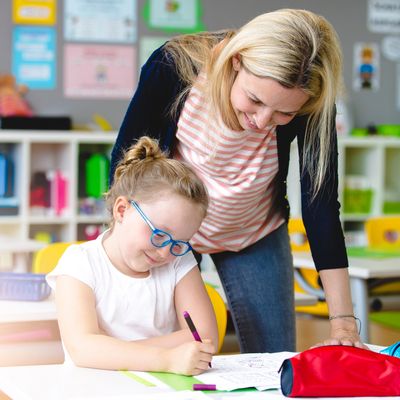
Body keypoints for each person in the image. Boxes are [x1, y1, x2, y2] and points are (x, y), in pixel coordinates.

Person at [110, 9, 365, 353]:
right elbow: (126, 165)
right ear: (235, 61)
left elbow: (320, 206)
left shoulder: (313, 103)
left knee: (274, 357)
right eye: (255, 100)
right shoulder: (175, 66)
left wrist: (343, 321)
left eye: (283, 113)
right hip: (171, 235)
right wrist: (118, 253)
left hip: (254, 231)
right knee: (166, 351)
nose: (262, 121)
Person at [47, 136, 218, 375]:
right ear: (122, 210)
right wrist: (166, 359)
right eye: (159, 234)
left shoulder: (179, 260)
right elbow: (83, 348)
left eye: (180, 243)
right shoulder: (79, 263)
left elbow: (206, 336)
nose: (166, 252)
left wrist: (109, 350)